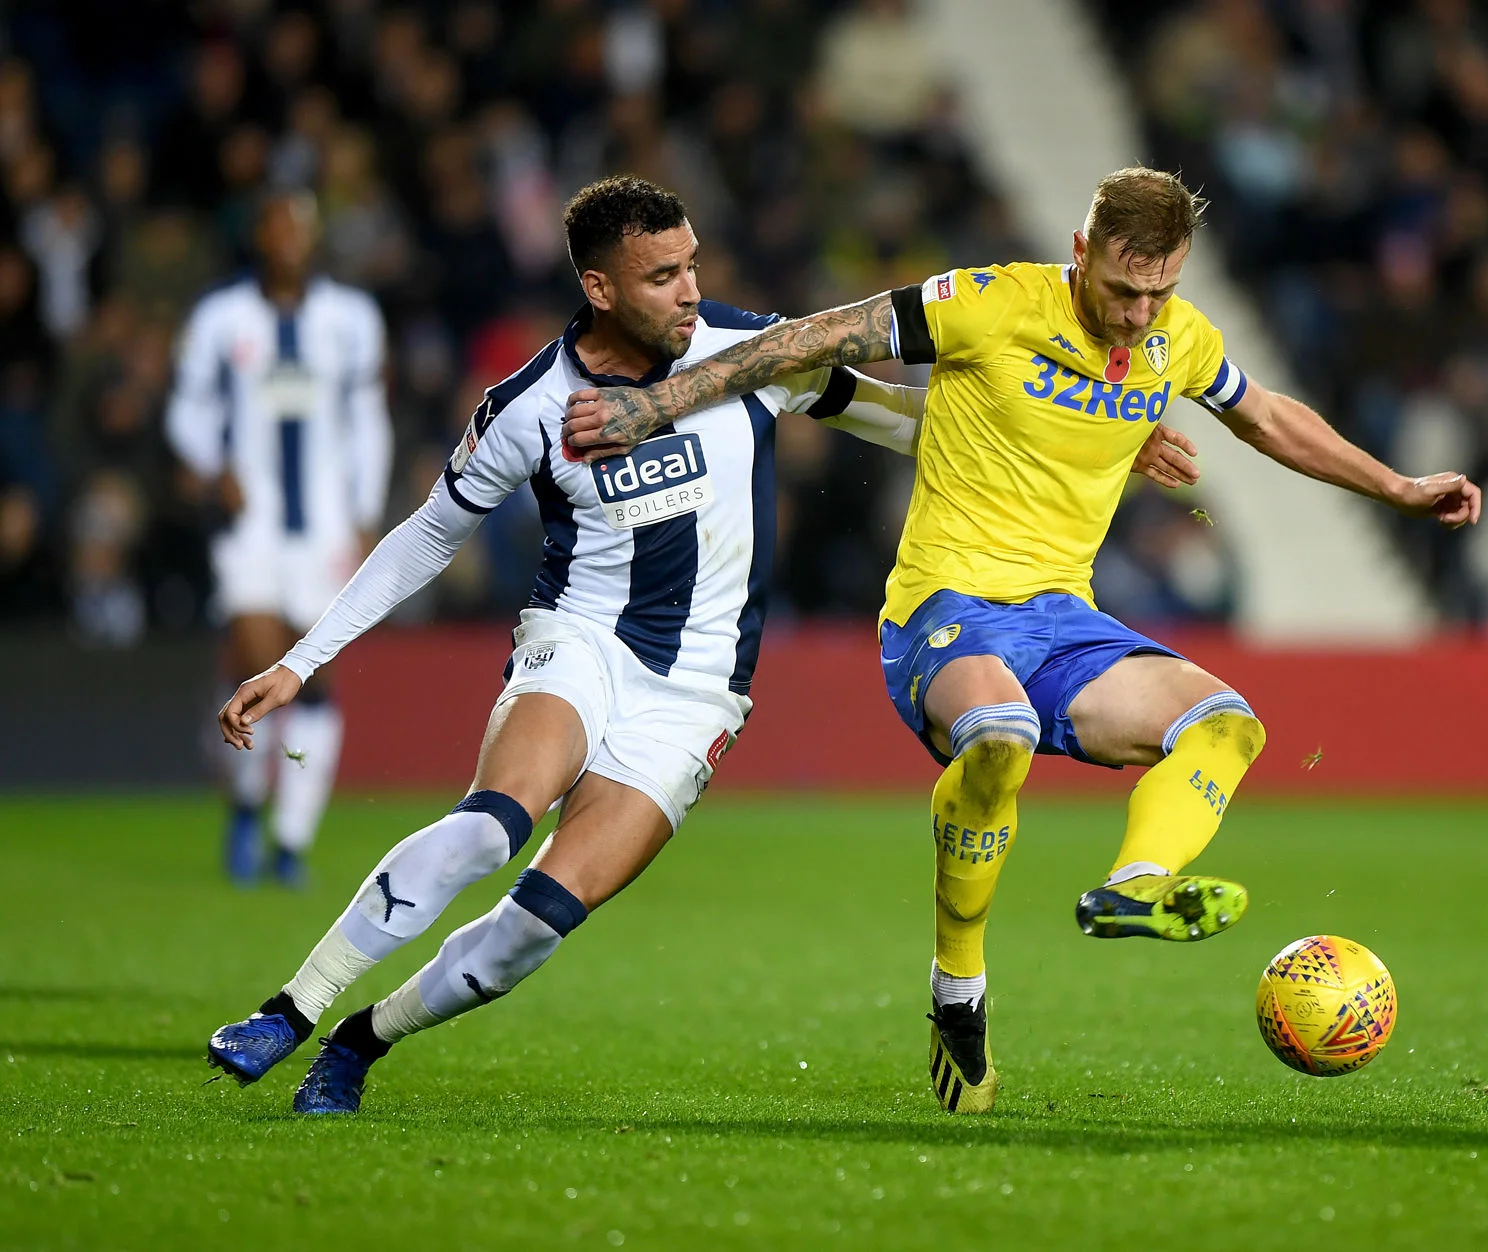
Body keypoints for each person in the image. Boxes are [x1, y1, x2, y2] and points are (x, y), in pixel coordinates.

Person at [202, 176, 1198, 1114]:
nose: (689, 291)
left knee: (533, 927)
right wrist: (300, 662)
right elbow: (429, 535)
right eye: (661, 276)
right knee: (492, 825)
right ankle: (290, 1008)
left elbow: (909, 420)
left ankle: (362, 1041)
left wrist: (1096, 439)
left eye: (691, 266)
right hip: (580, 641)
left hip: (698, 695)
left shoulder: (747, 353)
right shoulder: (530, 407)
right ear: (599, 288)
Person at [559, 168, 1482, 1114]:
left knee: (1227, 724)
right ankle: (958, 992)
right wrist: (656, 405)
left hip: (1062, 619)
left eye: (1160, 292)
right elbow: (812, 339)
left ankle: (1137, 883)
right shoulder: (990, 303)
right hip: (942, 606)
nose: (1139, 314)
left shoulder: (1177, 337)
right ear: (1081, 253)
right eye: (1122, 290)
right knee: (1000, 734)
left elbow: (1269, 415)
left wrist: (1399, 488)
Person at [166, 190, 392, 886]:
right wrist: (213, 468)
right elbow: (188, 409)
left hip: (324, 520)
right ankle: (245, 804)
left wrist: (365, 509)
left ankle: (290, 844)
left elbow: (368, 420)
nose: (289, 238)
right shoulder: (220, 317)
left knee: (314, 680)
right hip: (252, 521)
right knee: (258, 662)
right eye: (277, 225)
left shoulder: (352, 319)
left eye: (300, 226)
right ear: (259, 236)